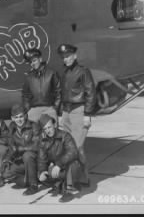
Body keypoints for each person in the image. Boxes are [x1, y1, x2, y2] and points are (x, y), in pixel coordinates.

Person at [57, 43, 96, 188]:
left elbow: (91, 92)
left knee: (74, 147)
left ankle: (70, 183)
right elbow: (62, 94)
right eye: (63, 57)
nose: (65, 59)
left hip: (79, 111)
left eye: (67, 56)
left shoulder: (83, 71)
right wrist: (61, 114)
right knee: (74, 148)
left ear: (75, 56)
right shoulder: (65, 73)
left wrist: (88, 114)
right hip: (66, 112)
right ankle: (84, 177)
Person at [37, 114, 79, 203]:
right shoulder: (43, 141)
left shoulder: (65, 136)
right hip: (56, 168)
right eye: (45, 129)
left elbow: (73, 152)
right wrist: (42, 171)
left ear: (54, 125)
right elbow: (41, 159)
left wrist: (59, 164)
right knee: (43, 176)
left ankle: (68, 191)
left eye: (49, 127)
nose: (48, 131)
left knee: (73, 164)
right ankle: (58, 184)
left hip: (66, 167)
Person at [1, 104, 41, 196]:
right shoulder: (11, 127)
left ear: (25, 116)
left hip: (34, 160)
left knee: (27, 155)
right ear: (12, 118)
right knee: (6, 173)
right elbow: (12, 147)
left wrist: (20, 149)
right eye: (16, 117)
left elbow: (36, 146)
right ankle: (31, 178)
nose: (19, 120)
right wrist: (7, 159)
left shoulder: (34, 126)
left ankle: (33, 185)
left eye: (21, 116)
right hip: (22, 161)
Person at [22, 48, 61, 124]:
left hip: (49, 109)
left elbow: (58, 92)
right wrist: (28, 109)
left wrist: (55, 108)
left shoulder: (52, 73)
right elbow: (25, 95)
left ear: (40, 59)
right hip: (33, 111)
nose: (33, 63)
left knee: (52, 135)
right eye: (30, 62)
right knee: (34, 134)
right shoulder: (29, 76)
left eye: (34, 60)